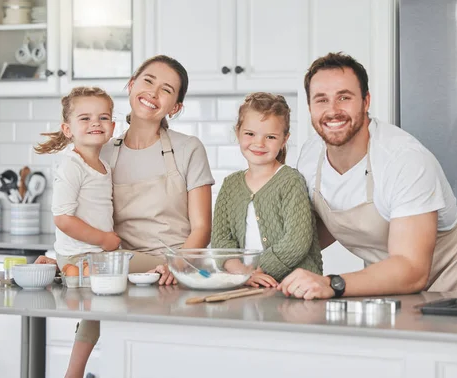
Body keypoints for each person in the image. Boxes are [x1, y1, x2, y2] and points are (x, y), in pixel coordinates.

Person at [278, 52, 457, 300]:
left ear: (366, 102)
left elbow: (412, 269)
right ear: (310, 107)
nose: (333, 111)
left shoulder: (404, 160)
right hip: (386, 285)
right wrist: (264, 263)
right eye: (321, 100)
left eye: (344, 97)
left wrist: (330, 284)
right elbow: (321, 228)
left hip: (451, 287)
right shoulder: (311, 156)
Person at [63, 55, 214, 378]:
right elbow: (84, 218)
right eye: (147, 81)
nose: (153, 92)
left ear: (175, 107)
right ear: (131, 85)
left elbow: (202, 227)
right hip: (120, 268)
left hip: (177, 268)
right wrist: (57, 256)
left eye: (167, 89)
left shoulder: (188, 149)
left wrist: (178, 265)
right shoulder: (103, 151)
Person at [212, 92, 322, 287]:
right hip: (247, 285)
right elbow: (221, 241)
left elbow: (297, 241)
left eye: (270, 136)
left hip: (296, 287)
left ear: (284, 139)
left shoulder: (290, 181)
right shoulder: (230, 185)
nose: (259, 143)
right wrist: (242, 273)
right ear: (238, 132)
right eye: (250, 134)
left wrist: (256, 270)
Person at [34, 86, 120, 276]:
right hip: (78, 255)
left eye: (103, 118)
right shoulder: (72, 166)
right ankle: (66, 269)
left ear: (112, 127)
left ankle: (62, 269)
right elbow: (63, 219)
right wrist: (104, 239)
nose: (96, 123)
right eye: (85, 118)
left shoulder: (104, 165)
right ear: (67, 129)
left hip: (96, 253)